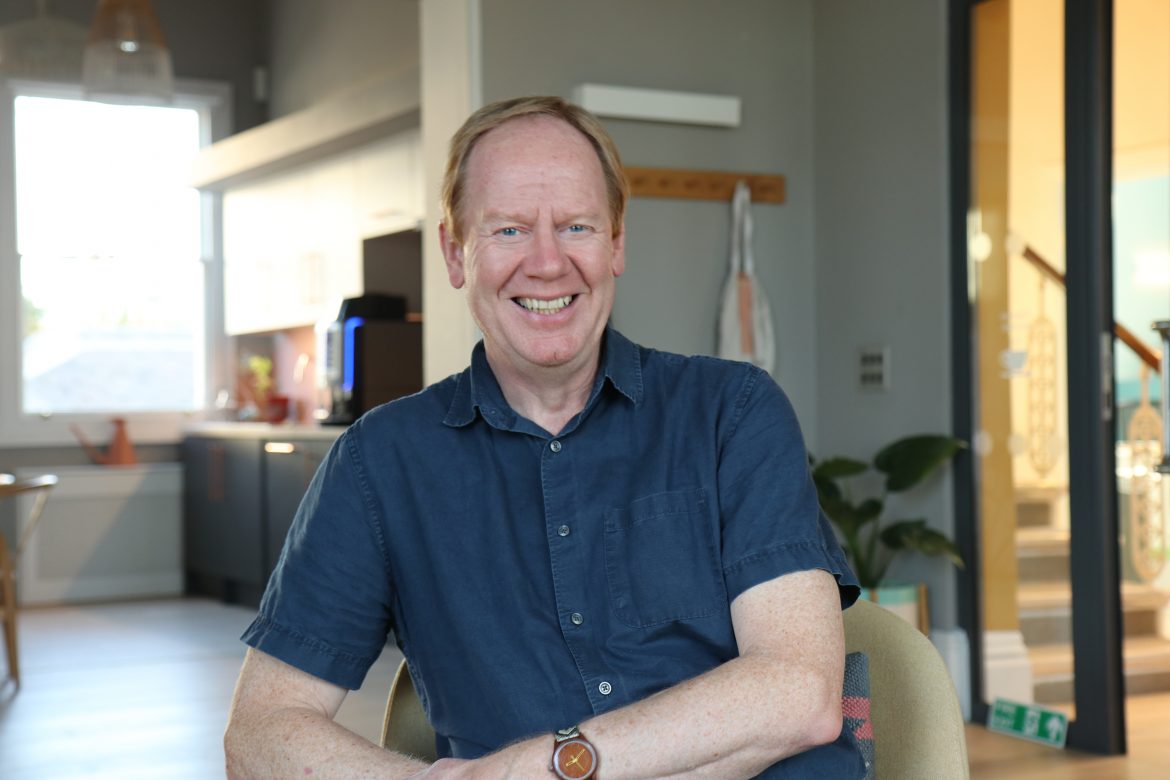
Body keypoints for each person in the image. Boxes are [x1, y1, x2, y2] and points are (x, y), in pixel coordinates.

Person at [224, 96, 864, 779]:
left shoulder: (733, 412)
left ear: (616, 243)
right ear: (454, 252)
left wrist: (551, 766)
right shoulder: (380, 463)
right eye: (508, 230)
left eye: (577, 226)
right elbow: (260, 733)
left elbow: (803, 693)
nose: (548, 263)